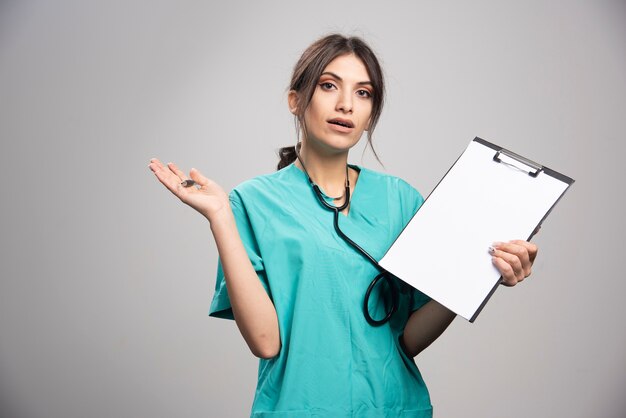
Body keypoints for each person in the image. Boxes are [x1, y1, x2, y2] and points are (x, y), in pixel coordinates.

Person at [148, 34, 537, 418]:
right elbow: (265, 342)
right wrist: (219, 217)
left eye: (363, 93)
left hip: (394, 408)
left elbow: (407, 340)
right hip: (298, 408)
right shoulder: (251, 202)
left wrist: (480, 272)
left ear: (371, 115)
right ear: (296, 100)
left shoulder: (401, 200)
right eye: (329, 85)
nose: (346, 104)